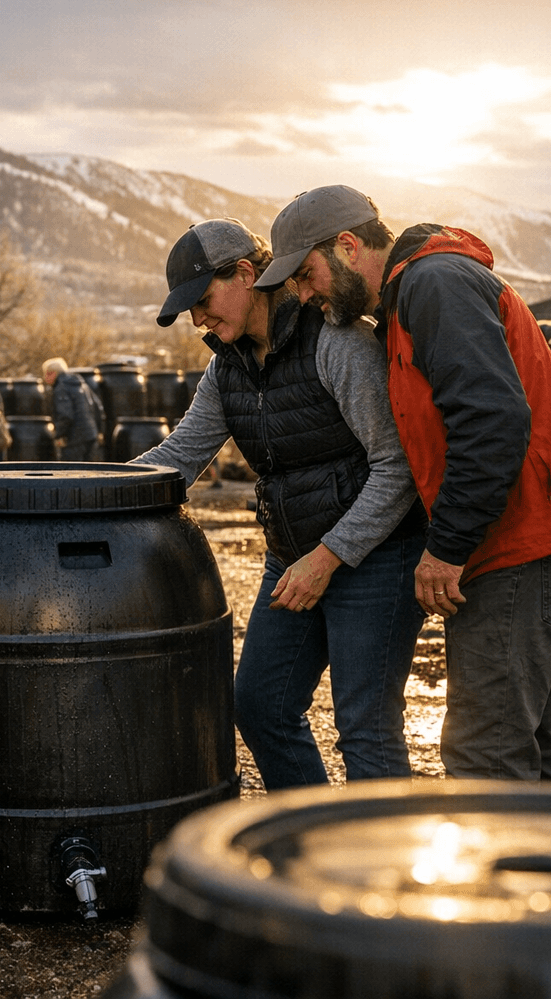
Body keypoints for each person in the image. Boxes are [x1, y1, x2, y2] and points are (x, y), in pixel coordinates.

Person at [257, 185, 551, 782]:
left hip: (526, 541)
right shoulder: (408, 300)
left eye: (305, 275)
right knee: (529, 745)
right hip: (527, 540)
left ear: (348, 246)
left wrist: (445, 549)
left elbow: (492, 421)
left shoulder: (434, 284)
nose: (302, 295)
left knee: (484, 753)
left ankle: (508, 849)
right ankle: (548, 844)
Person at [132, 217, 426, 789]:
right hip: (293, 556)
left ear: (246, 274)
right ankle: (312, 833)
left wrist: (328, 558)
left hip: (376, 557)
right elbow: (179, 457)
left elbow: (398, 467)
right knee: (261, 706)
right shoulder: (227, 368)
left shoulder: (337, 342)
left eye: (202, 301)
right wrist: (88, 488)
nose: (198, 319)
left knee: (365, 728)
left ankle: (383, 849)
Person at [41, 357, 103, 460]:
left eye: (46, 374)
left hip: (74, 439)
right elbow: (98, 407)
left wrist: (59, 435)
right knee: (88, 469)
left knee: (70, 469)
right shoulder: (82, 384)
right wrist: (99, 431)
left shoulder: (61, 388)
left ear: (53, 373)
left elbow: (66, 415)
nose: (44, 377)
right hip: (91, 436)